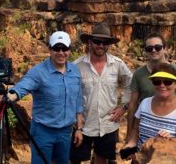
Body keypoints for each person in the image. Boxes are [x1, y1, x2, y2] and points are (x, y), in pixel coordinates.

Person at [0, 31, 84, 164]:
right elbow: (23, 86)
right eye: (56, 48)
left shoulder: (74, 71)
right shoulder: (38, 72)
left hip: (66, 132)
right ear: (50, 49)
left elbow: (77, 99)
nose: (61, 52)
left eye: (64, 48)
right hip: (43, 132)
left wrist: (79, 129)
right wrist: (8, 96)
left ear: (69, 50)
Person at [70, 22, 132, 164]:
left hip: (107, 123)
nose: (101, 46)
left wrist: (124, 107)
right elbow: (70, 93)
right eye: (97, 42)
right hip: (82, 124)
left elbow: (130, 83)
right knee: (75, 159)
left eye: (105, 43)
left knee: (102, 159)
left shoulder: (117, 64)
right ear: (90, 42)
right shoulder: (77, 66)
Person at [126, 32, 172, 140]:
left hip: (170, 128)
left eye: (158, 47)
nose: (154, 50)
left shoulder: (174, 71)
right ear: (146, 51)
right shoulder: (138, 74)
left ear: (165, 48)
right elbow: (133, 105)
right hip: (145, 128)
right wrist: (129, 134)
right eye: (149, 48)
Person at [124, 63, 176, 157]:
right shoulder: (145, 103)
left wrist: (169, 141)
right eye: (157, 82)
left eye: (168, 82)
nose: (162, 85)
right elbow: (136, 129)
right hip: (139, 159)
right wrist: (130, 146)